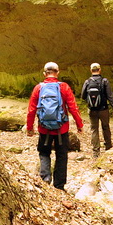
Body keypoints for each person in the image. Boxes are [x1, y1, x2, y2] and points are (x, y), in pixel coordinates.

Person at [27, 62, 84, 190]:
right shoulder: (64, 87)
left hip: (44, 128)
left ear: (44, 74)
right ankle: (59, 185)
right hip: (61, 129)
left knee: (44, 152)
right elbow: (73, 108)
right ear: (57, 73)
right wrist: (79, 124)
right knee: (62, 155)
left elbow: (31, 110)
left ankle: (45, 178)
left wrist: (30, 128)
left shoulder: (38, 88)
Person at [80, 63, 113, 158]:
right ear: (100, 70)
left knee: (94, 129)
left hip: (92, 110)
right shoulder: (105, 81)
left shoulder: (87, 82)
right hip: (103, 109)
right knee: (105, 127)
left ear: (91, 70)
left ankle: (96, 152)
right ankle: (108, 147)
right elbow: (110, 95)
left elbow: (83, 96)